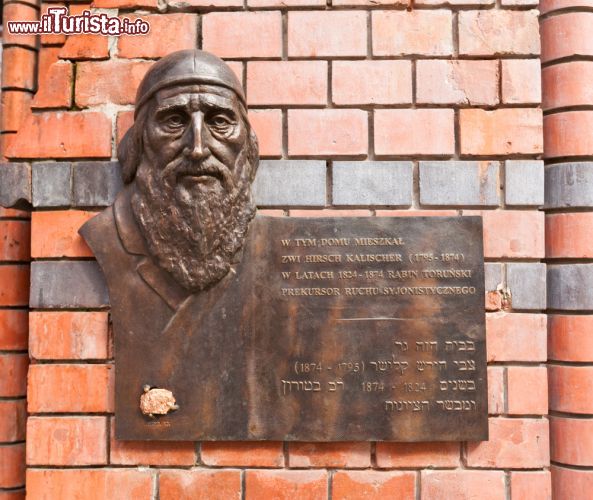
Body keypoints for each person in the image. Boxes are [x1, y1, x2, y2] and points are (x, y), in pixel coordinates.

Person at [80, 50, 261, 439]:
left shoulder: (271, 250)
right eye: (174, 121)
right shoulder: (106, 237)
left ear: (248, 146)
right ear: (139, 142)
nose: (198, 148)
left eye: (220, 122)